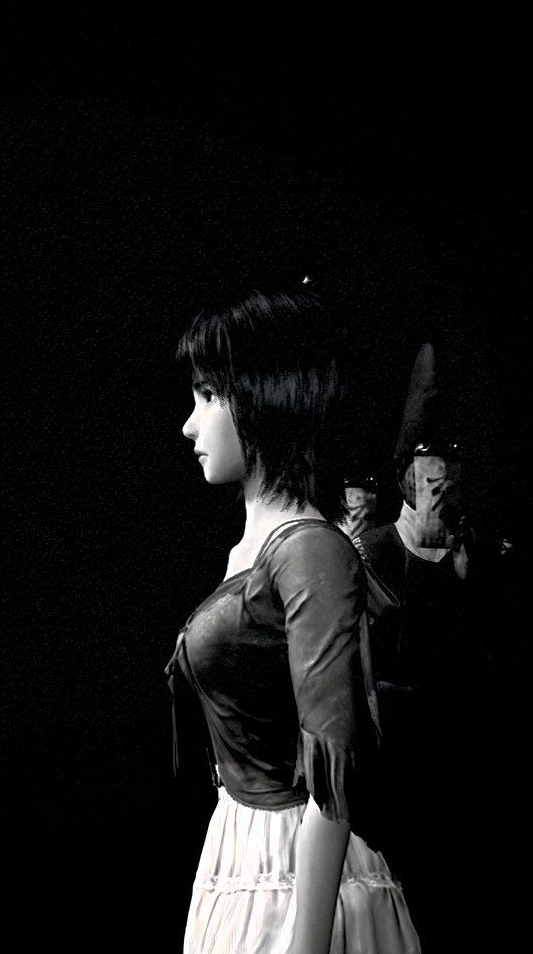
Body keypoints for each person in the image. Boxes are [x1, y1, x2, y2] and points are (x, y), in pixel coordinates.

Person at [166, 288, 420, 954]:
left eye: (208, 395)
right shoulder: (248, 553)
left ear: (263, 398)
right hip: (241, 853)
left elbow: (334, 778)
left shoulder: (309, 549)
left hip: (297, 877)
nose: (190, 425)